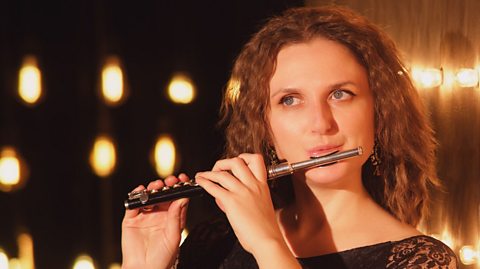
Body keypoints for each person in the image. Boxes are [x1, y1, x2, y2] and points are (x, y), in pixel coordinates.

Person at [121, 5, 458, 269]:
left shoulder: (421, 260)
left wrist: (267, 244)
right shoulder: (212, 243)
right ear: (265, 126)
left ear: (379, 111)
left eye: (340, 94)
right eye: (290, 100)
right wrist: (143, 266)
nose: (320, 123)